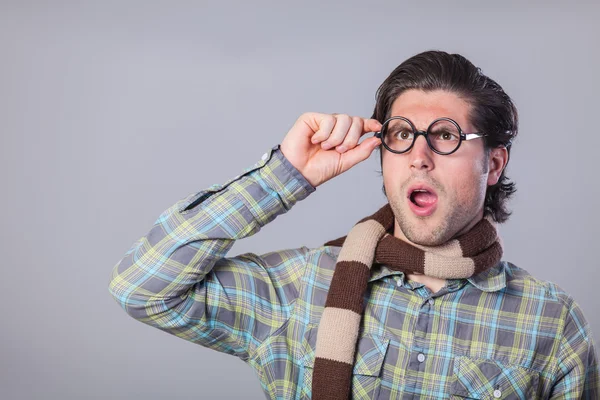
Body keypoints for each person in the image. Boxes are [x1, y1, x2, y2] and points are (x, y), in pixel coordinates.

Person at [109, 50, 599, 399]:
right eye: (402, 135)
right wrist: (287, 175)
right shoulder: (301, 289)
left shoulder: (550, 325)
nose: (418, 158)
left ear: (493, 164)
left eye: (445, 136)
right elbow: (143, 288)